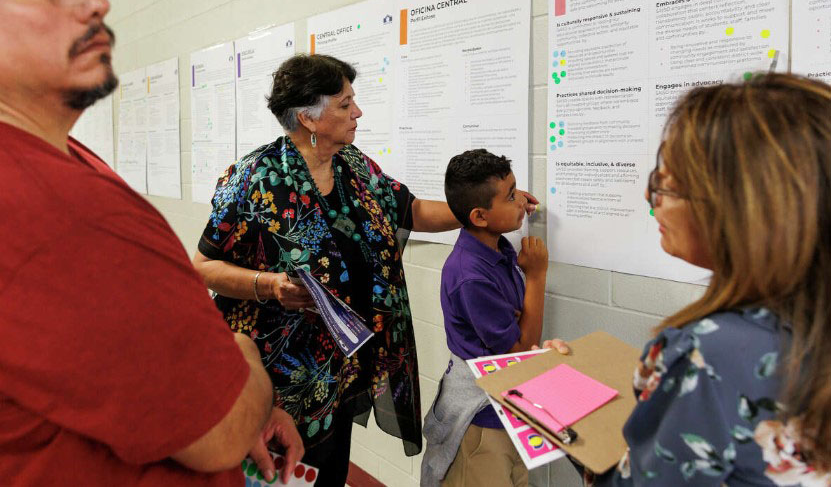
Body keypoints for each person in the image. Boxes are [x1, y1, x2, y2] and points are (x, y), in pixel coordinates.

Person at [0, 0, 302, 484]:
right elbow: (222, 434)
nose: (96, 4)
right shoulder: (55, 209)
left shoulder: (60, 160)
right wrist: (242, 357)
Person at [193, 54, 540, 486]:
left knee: (329, 473)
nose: (357, 112)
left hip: (342, 370)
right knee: (276, 477)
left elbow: (410, 209)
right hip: (276, 379)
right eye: (344, 104)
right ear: (309, 118)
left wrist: (488, 209)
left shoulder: (352, 167)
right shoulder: (255, 179)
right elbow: (203, 265)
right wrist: (269, 285)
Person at [583, 74, 831, 486]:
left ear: (739, 210)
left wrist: (584, 450)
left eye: (667, 185)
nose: (651, 198)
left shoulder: (706, 354)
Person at [421, 149, 569, 487]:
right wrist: (536, 278)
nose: (521, 203)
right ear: (480, 216)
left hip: (506, 413)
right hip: (481, 423)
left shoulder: (496, 248)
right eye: (511, 196)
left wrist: (510, 203)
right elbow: (521, 353)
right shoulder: (470, 275)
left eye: (516, 191)